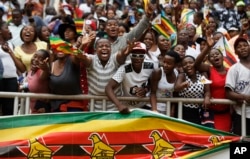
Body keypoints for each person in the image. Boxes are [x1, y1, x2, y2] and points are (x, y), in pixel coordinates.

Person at [77, 38, 132, 111]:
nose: (104, 48)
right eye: (101, 46)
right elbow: (80, 56)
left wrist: (125, 53)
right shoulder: (91, 59)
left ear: (111, 49)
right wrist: (83, 45)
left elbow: (121, 55)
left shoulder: (114, 59)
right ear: (95, 50)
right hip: (94, 108)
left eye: (107, 46)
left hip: (114, 108)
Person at [194, 34, 232, 132]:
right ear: (210, 60)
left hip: (227, 113)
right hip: (211, 113)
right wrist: (208, 47)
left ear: (222, 57)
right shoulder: (209, 70)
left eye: (217, 54)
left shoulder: (231, 71)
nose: (215, 55)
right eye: (212, 55)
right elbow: (196, 64)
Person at [105, 42, 154, 113]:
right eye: (134, 55)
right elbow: (108, 88)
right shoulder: (124, 68)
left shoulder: (151, 66)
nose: (137, 58)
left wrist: (145, 89)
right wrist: (119, 105)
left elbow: (154, 83)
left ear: (144, 57)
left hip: (144, 106)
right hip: (127, 108)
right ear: (130, 56)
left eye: (140, 56)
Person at [174, 55, 211, 125]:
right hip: (184, 110)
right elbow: (176, 88)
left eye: (190, 62)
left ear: (195, 64)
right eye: (185, 64)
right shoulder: (182, 76)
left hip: (200, 110)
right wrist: (183, 85)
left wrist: (207, 97)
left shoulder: (202, 75)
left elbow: (207, 91)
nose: (188, 65)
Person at [225, 37, 250, 135]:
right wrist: (244, 97)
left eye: (245, 45)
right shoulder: (234, 69)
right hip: (242, 114)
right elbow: (228, 93)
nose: (243, 48)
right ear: (235, 51)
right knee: (241, 144)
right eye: (239, 47)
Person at [150, 50, 180, 116]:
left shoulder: (177, 73)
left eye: (169, 63)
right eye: (164, 62)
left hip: (168, 109)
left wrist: (172, 110)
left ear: (175, 65)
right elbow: (152, 93)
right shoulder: (157, 72)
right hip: (157, 108)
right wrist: (154, 110)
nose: (165, 65)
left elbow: (175, 94)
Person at [0, 22, 18, 115]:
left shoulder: (11, 45)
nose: (9, 31)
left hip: (12, 79)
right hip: (1, 79)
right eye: (7, 28)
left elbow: (15, 62)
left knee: (9, 107)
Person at [25, 49, 51, 113]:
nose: (36, 59)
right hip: (31, 107)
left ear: (45, 61)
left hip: (41, 108)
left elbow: (46, 72)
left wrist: (45, 68)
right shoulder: (30, 72)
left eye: (40, 58)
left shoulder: (42, 72)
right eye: (35, 56)